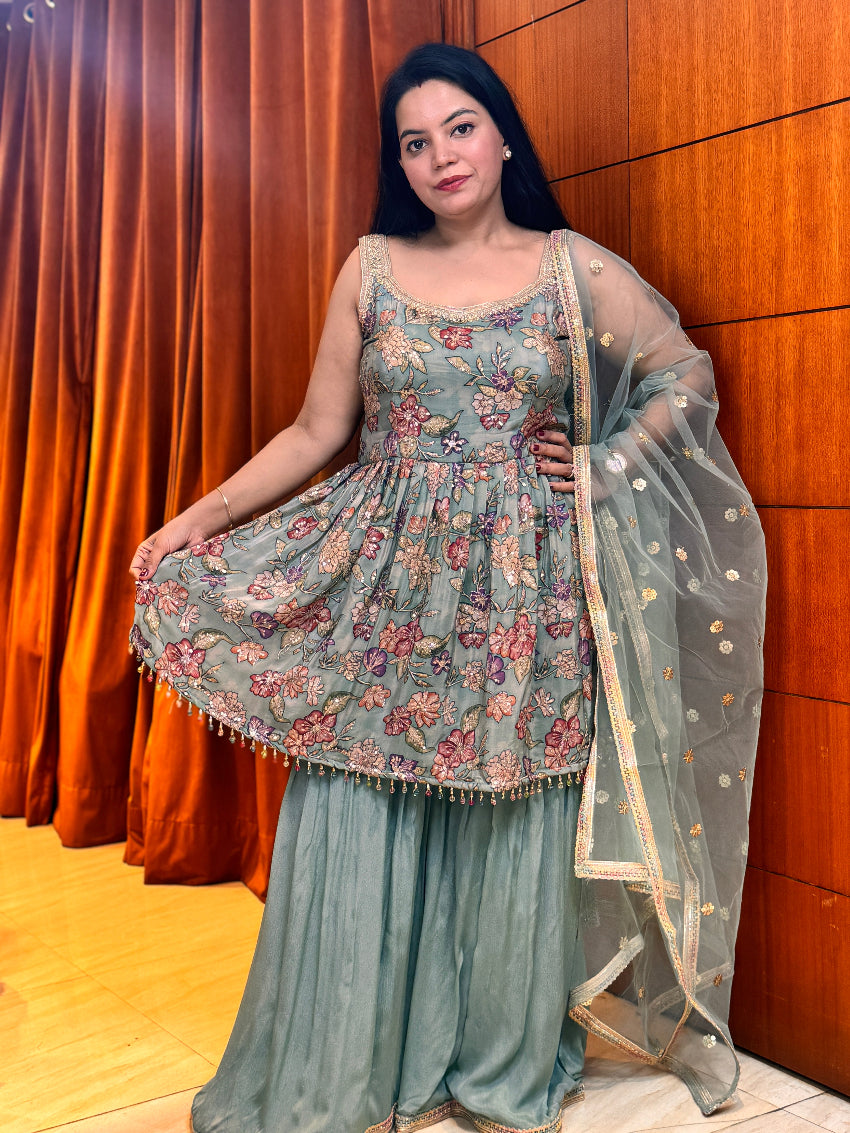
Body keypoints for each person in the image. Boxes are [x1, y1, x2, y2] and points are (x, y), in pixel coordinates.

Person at [130, 42, 765, 1133]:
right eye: (415, 142)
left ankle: (495, 1066)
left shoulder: (569, 267)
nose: (441, 156)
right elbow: (316, 431)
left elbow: (684, 373)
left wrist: (606, 460)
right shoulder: (371, 267)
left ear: (502, 134)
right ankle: (344, 1068)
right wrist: (198, 519)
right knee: (359, 795)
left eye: (460, 128)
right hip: (386, 586)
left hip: (527, 591)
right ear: (401, 164)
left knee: (511, 811)